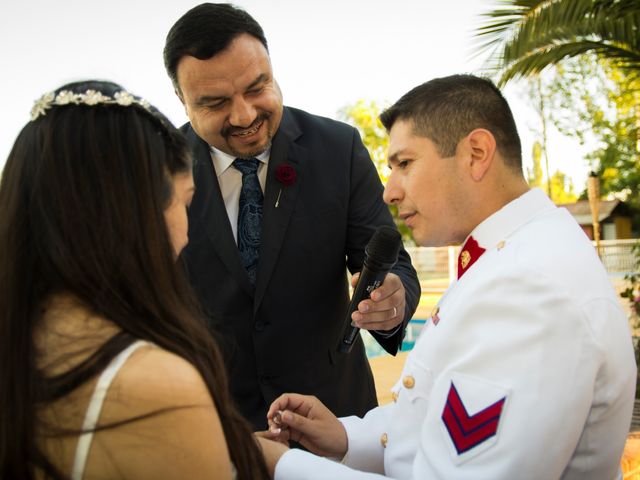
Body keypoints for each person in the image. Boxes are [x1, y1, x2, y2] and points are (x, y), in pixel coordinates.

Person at [258, 74, 637, 479]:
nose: (389, 191)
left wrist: (281, 465)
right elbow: (442, 413)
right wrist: (348, 437)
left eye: (404, 163)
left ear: (476, 153)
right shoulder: (517, 257)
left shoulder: (529, 288)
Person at [163, 3, 421, 430]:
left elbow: (395, 268)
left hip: (339, 421)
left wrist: (392, 300)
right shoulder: (156, 170)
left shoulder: (338, 149)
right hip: (215, 430)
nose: (244, 115)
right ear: (181, 98)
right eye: (216, 102)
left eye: (257, 87)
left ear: (271, 69)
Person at [0, 80, 268, 479]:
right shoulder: (153, 386)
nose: (186, 233)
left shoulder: (21, 347)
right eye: (185, 202)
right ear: (133, 210)